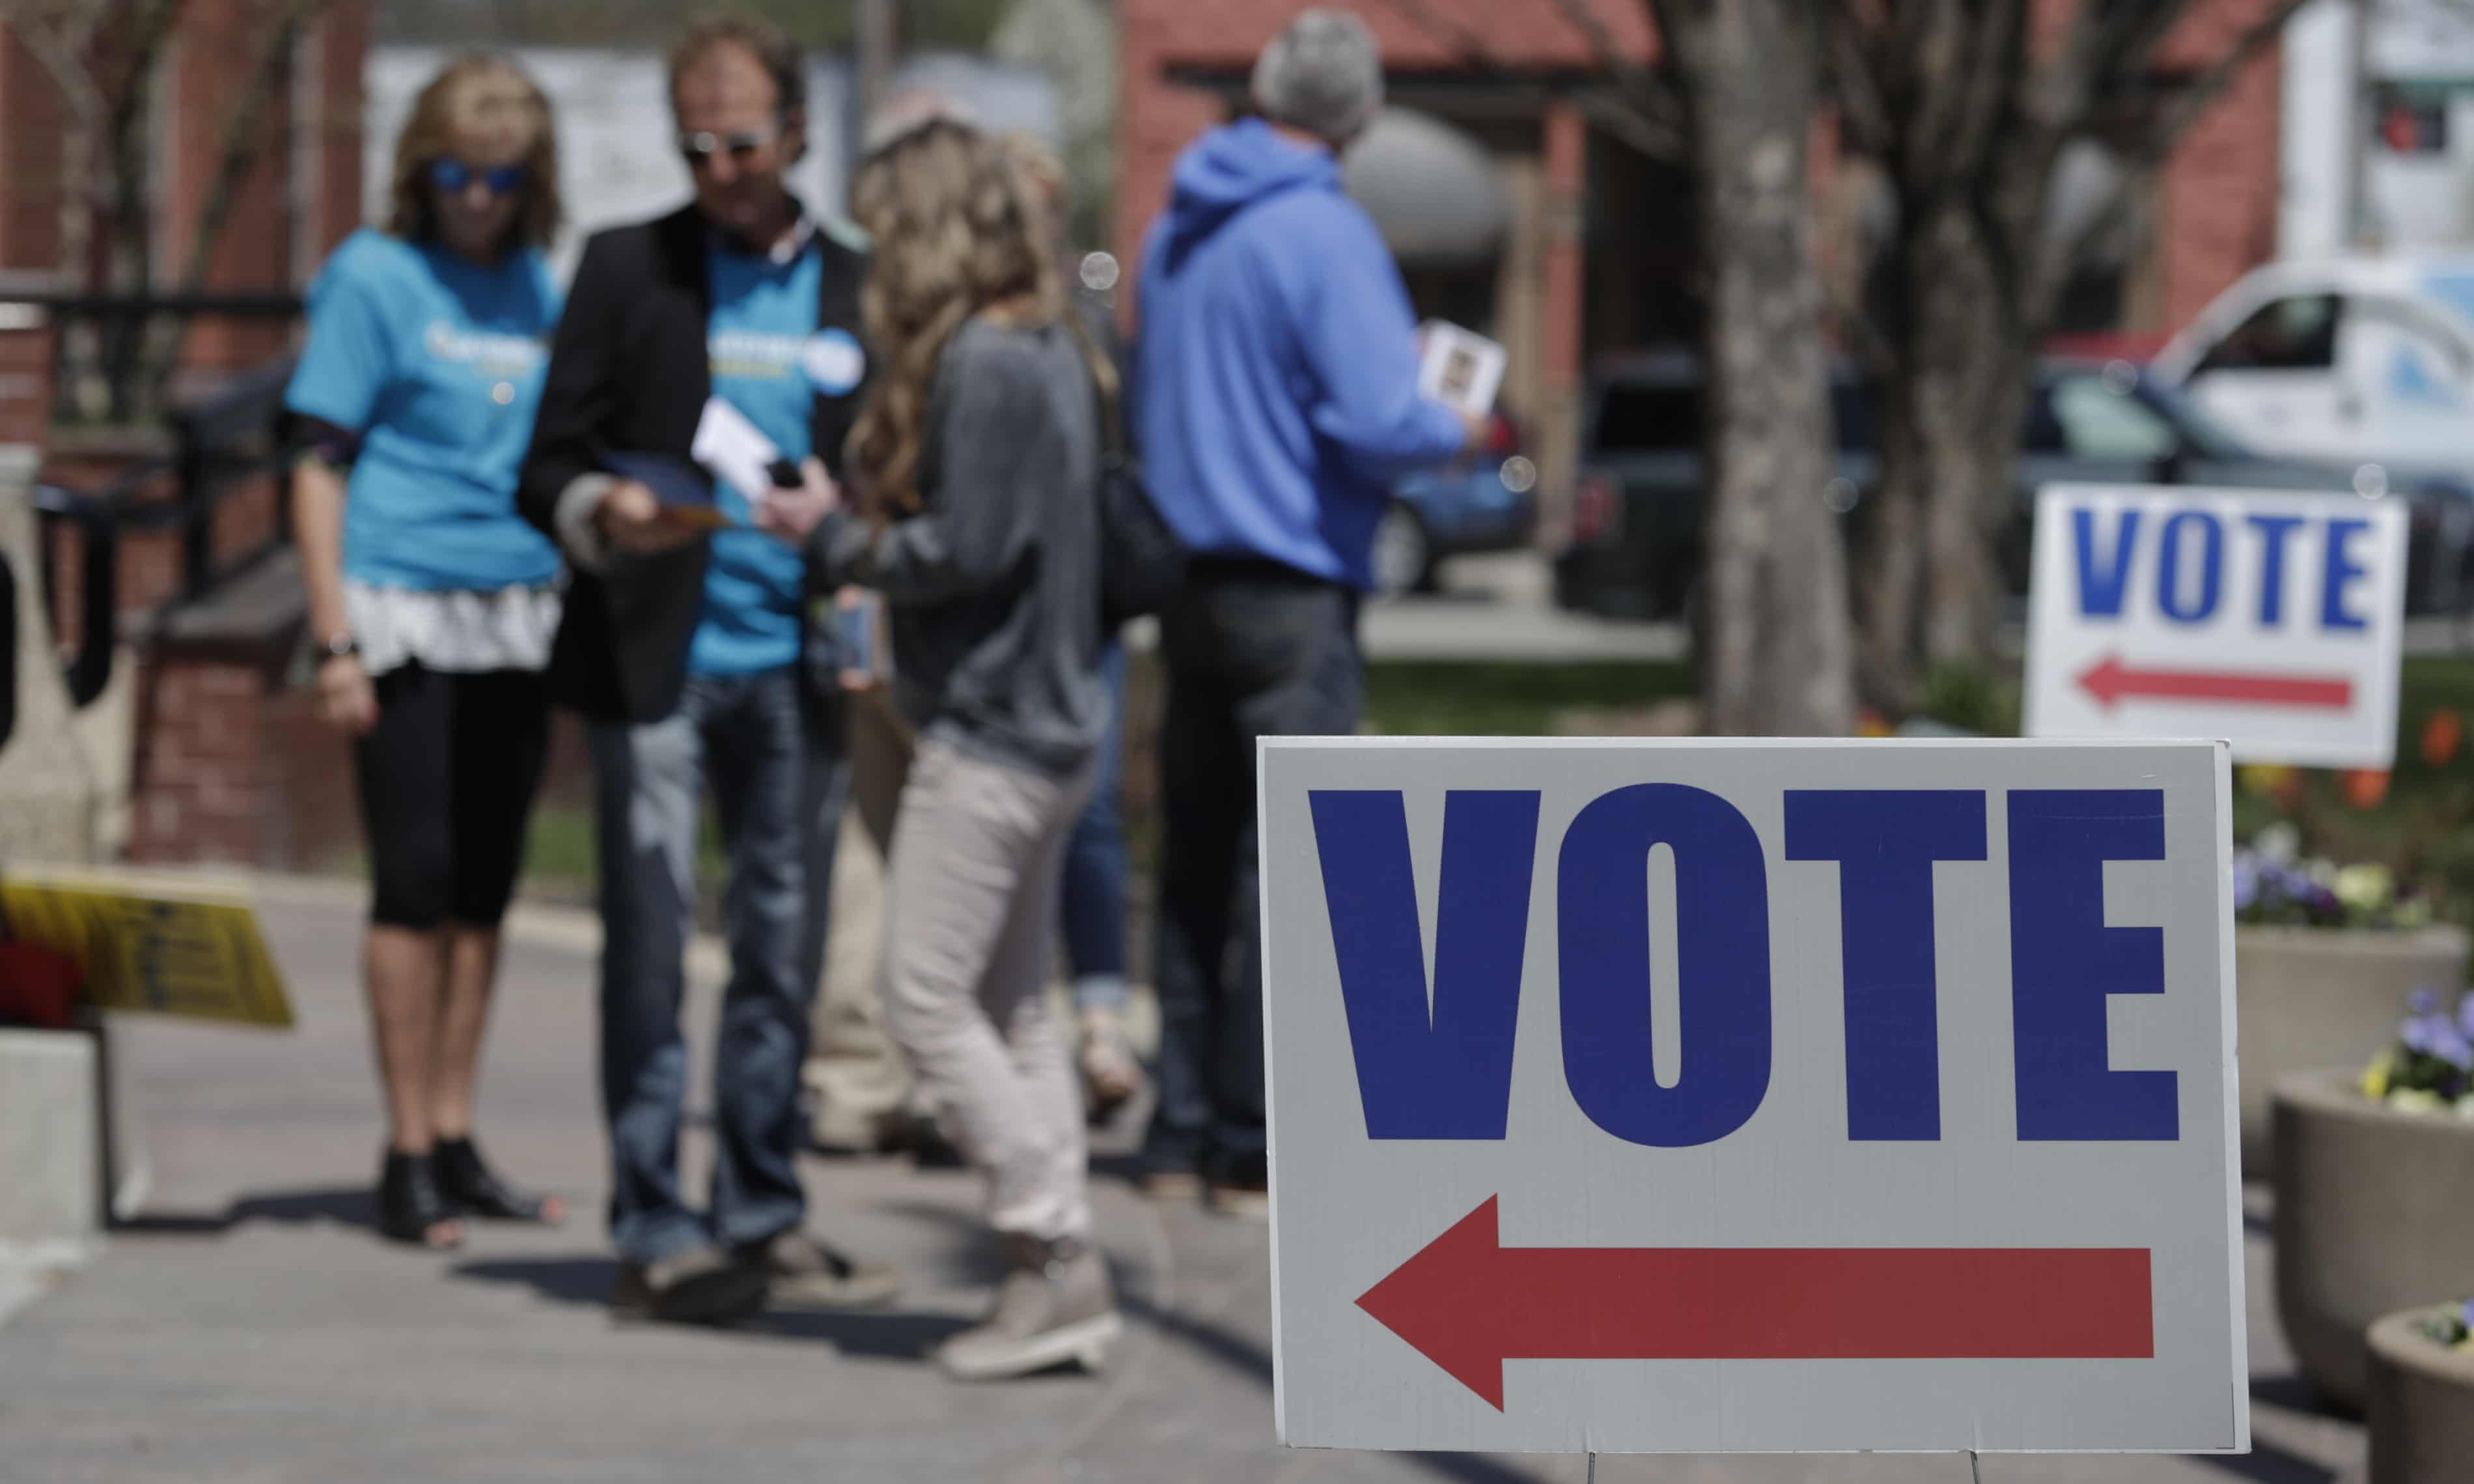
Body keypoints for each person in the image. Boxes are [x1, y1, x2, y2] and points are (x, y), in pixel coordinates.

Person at [517, 11, 895, 1325]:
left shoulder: (859, 281)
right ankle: (653, 1222)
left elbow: (901, 468)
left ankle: (762, 1207)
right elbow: (546, 463)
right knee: (653, 941)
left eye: (742, 141)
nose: (720, 167)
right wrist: (603, 514)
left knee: (780, 950)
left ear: (796, 133)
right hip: (660, 664)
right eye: (696, 144)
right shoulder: (631, 269)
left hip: (799, 665)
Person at [760, 115, 1119, 1381]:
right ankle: (1046, 1278)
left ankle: (1055, 1245)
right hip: (1055, 719)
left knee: (920, 999)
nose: (877, 255)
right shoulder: (1053, 344)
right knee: (1015, 1009)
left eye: (889, 227)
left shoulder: (985, 361)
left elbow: (967, 548)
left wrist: (831, 540)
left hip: (994, 727)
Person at [1132, 9, 1484, 1211]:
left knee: (1190, 861)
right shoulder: (1324, 233)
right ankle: (1249, 1144)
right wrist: (1459, 426)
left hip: (1183, 577)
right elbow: (1384, 420)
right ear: (1362, 118)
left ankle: (1174, 1135)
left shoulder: (1175, 221)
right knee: (1283, 875)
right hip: (1292, 582)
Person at [285, 53, 570, 1250]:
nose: (478, 196)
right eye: (458, 171)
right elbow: (315, 461)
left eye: (502, 176)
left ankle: (457, 1133)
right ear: (421, 169)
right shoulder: (374, 276)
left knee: (487, 890)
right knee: (414, 880)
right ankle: (403, 1146)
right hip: (399, 602)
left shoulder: (532, 286)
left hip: (517, 607)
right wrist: (334, 639)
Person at [1002, 130, 1143, 1118]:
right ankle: (1016, 1028)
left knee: (1089, 810)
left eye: (1042, 210)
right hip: (997, 615)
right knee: (1001, 821)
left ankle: (1099, 1016)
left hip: (1085, 606)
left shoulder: (1089, 325)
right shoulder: (958, 332)